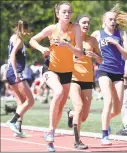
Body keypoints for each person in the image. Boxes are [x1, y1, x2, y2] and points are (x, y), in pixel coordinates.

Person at [29, 1, 83, 152]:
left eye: (69, 12)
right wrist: (41, 48)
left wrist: (67, 45)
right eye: (64, 12)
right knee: (58, 92)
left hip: (67, 71)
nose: (67, 14)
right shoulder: (51, 29)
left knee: (60, 107)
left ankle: (50, 136)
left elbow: (79, 53)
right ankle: (51, 130)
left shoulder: (76, 28)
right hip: (50, 69)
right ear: (58, 14)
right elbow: (32, 40)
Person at [91, 4, 127, 145]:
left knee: (117, 109)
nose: (113, 22)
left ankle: (105, 121)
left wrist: (117, 44)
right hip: (104, 70)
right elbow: (85, 44)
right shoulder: (97, 34)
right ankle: (104, 134)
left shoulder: (121, 34)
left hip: (118, 73)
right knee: (107, 101)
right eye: (110, 19)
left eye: (114, 19)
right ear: (104, 22)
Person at [66, 14, 103, 149]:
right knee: (79, 107)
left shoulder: (92, 40)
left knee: (83, 116)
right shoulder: (70, 39)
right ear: (77, 25)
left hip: (88, 80)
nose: (87, 25)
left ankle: (70, 114)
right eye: (84, 22)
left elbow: (101, 60)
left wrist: (95, 56)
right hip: (73, 79)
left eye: (88, 22)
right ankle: (77, 141)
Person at [6, 20, 35, 137]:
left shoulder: (12, 38)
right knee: (30, 101)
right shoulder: (19, 40)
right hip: (16, 72)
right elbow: (12, 55)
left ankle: (18, 129)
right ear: (24, 29)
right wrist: (16, 72)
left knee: (21, 102)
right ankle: (12, 121)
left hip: (10, 72)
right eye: (27, 30)